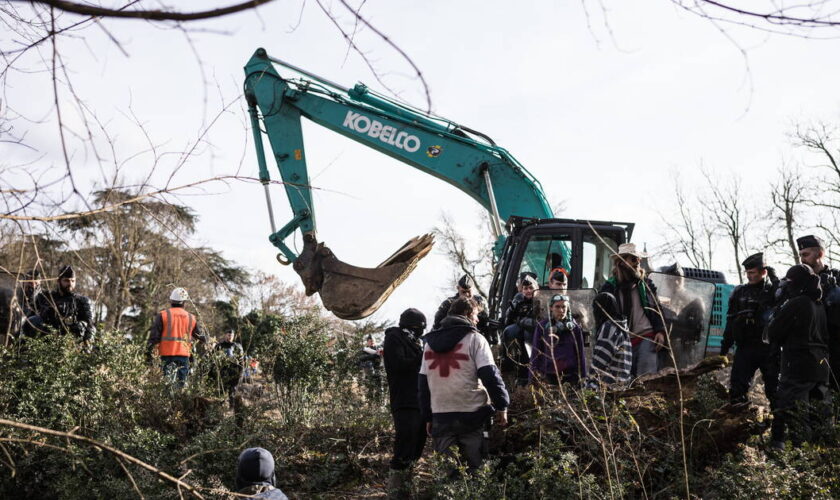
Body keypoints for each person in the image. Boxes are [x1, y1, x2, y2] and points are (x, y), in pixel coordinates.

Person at [419, 297, 509, 473]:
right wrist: (502, 405)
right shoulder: (475, 339)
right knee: (476, 472)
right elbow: (489, 375)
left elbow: (423, 384)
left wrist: (428, 416)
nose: (477, 320)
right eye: (476, 315)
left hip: (441, 416)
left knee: (447, 478)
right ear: (468, 314)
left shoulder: (428, 345)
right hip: (472, 416)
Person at [768, 264, 830, 449]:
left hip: (798, 367)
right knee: (817, 416)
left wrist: (779, 307)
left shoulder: (797, 303)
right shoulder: (818, 304)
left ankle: (795, 457)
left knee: (793, 413)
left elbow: (773, 332)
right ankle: (818, 459)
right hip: (820, 367)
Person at [719, 253, 780, 406]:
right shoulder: (740, 292)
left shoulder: (773, 291)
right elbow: (730, 322)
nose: (749, 276)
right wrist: (724, 349)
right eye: (747, 273)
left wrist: (775, 278)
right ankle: (740, 423)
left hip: (768, 348)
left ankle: (778, 427)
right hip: (745, 347)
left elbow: (785, 298)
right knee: (737, 389)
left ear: (763, 272)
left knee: (775, 390)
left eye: (752, 272)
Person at [598, 243, 666, 377]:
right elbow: (602, 319)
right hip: (621, 343)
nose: (638, 263)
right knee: (622, 383)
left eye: (639, 259)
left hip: (646, 338)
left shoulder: (646, 285)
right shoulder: (608, 288)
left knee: (646, 380)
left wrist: (660, 331)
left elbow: (656, 308)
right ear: (622, 262)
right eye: (633, 259)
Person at [382, 308, 427, 497]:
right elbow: (398, 364)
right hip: (404, 400)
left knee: (417, 444)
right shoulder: (394, 338)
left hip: (419, 400)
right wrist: (423, 357)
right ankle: (396, 492)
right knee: (404, 445)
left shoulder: (415, 342)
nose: (421, 331)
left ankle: (408, 489)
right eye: (420, 327)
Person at [796, 235, 840, 391]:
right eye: (800, 255)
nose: (802, 259)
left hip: (834, 348)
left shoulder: (837, 279)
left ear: (820, 255)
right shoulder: (797, 281)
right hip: (807, 351)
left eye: (806, 254)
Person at [147, 287, 207, 388]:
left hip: (166, 355)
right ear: (185, 302)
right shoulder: (191, 317)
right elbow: (200, 336)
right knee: (181, 384)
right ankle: (178, 402)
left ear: (171, 300)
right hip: (184, 355)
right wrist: (208, 341)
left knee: (166, 384)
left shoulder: (163, 315)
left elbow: (154, 337)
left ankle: (167, 402)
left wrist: (148, 354)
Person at [529, 294, 586, 386]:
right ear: (551, 308)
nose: (561, 310)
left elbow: (580, 353)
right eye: (557, 307)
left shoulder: (575, 328)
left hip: (570, 376)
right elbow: (535, 352)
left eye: (564, 307)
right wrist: (532, 378)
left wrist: (582, 377)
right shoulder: (542, 326)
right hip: (548, 375)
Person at [37, 265, 96, 343]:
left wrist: (86, 345)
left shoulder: (82, 301)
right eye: (66, 281)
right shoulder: (48, 298)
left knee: (81, 326)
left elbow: (90, 326)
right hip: (50, 340)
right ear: (59, 281)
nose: (70, 284)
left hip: (73, 343)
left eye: (72, 281)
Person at [501, 274, 542, 386]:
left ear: (536, 287)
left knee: (528, 334)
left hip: (537, 334)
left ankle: (532, 370)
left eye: (531, 288)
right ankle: (510, 364)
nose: (528, 291)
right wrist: (512, 310)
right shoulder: (519, 299)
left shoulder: (542, 300)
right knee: (509, 331)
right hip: (522, 331)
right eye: (525, 288)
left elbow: (538, 323)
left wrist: (520, 320)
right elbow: (507, 321)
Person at [589, 292, 632, 387]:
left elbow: (599, 362)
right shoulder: (621, 326)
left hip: (609, 384)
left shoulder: (609, 328)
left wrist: (586, 385)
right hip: (622, 383)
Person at [432, 275, 492, 343]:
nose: (466, 294)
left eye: (469, 292)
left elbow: (487, 323)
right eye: (463, 292)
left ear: (473, 289)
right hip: (452, 339)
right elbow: (437, 325)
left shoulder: (480, 302)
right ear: (458, 288)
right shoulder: (448, 304)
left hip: (476, 338)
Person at [214, 328, 245, 405]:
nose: (230, 337)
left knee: (233, 391)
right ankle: (220, 407)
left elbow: (241, 361)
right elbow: (213, 359)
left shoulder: (237, 346)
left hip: (234, 372)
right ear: (225, 335)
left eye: (231, 336)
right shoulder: (219, 346)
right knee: (221, 390)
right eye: (228, 335)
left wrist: (240, 373)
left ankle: (231, 407)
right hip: (223, 372)